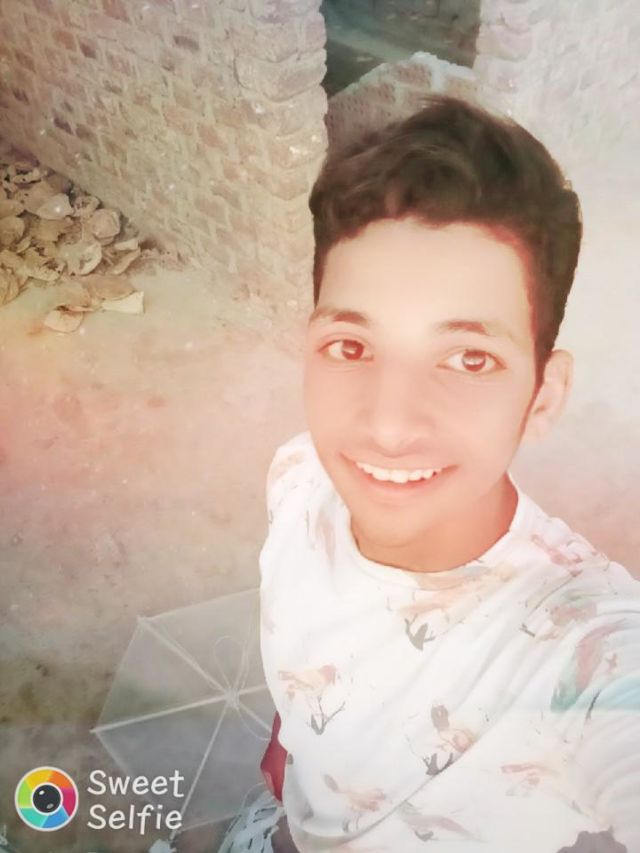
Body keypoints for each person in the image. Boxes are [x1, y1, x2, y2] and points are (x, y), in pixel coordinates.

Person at [219, 94, 640, 852]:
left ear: (544, 396)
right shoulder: (299, 476)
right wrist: (299, 752)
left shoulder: (585, 650)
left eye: (469, 359)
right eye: (351, 347)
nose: (388, 426)